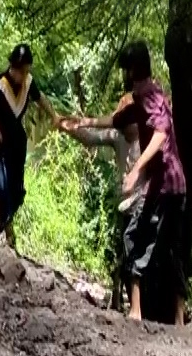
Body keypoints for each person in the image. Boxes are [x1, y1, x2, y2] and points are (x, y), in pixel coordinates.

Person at [71, 41, 187, 325]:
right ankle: (166, 315)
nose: (123, 75)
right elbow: (113, 120)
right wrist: (79, 122)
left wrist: (136, 170)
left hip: (165, 185)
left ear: (133, 69)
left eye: (125, 69)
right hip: (168, 185)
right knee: (161, 246)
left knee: (138, 237)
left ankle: (141, 311)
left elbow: (161, 135)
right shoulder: (142, 98)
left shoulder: (151, 98)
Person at [59, 93, 144, 310]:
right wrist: (67, 127)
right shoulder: (118, 137)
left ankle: (140, 309)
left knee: (138, 259)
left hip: (145, 205)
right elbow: (91, 138)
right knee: (125, 259)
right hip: (125, 206)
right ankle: (128, 307)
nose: (122, 126)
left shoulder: (147, 138)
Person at [0, 44, 61, 245]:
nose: (24, 75)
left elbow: (40, 98)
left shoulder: (28, 83)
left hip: (16, 142)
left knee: (17, 191)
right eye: (22, 71)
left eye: (27, 71)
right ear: (13, 68)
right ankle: (8, 233)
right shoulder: (0, 86)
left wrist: (54, 116)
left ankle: (0, 217)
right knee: (2, 184)